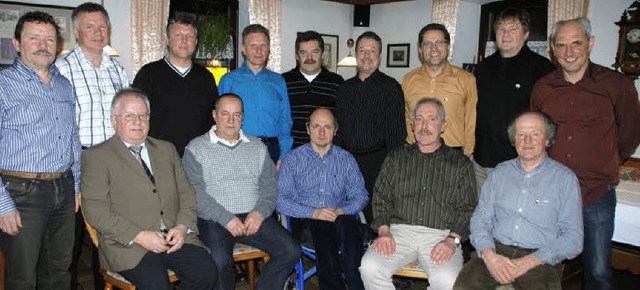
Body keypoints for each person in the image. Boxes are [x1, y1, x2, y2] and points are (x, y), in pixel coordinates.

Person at [531, 18, 640, 290]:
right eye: (561, 45)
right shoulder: (543, 87)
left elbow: (630, 134)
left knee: (599, 271)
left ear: (590, 43)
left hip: (596, 194)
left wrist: (606, 161)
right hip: (550, 194)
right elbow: (535, 134)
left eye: (576, 43)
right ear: (552, 50)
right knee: (542, 266)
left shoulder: (617, 85)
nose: (569, 52)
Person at [81, 88, 217, 289]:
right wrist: (139, 235)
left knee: (207, 273)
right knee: (157, 285)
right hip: (129, 245)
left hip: (173, 236)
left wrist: (181, 227)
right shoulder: (97, 156)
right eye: (129, 116)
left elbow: (186, 193)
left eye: (143, 115)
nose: (138, 121)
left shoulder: (166, 149)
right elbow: (95, 211)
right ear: (113, 120)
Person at [454, 111, 583, 289]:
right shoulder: (500, 172)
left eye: (535, 134)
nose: (527, 140)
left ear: (547, 140)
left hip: (540, 258)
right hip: (496, 249)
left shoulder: (564, 179)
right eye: (521, 134)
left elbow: (573, 238)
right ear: (514, 140)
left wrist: (530, 261)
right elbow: (480, 219)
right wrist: (489, 255)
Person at [183, 93, 300, 290]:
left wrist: (259, 212)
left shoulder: (258, 147)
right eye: (225, 114)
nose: (231, 120)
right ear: (214, 115)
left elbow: (270, 186)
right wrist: (225, 218)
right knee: (219, 262)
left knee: (290, 250)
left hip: (253, 215)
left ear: (243, 117)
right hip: (214, 218)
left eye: (236, 114)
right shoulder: (196, 148)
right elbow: (194, 193)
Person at [359, 98, 477, 290]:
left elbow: (468, 207)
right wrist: (383, 230)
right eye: (419, 119)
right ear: (412, 125)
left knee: (448, 280)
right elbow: (381, 199)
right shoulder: (396, 158)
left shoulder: (460, 163)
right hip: (398, 233)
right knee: (370, 267)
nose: (424, 125)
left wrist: (452, 240)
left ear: (443, 125)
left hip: (441, 235)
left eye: (432, 119)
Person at [0, 11, 81, 290]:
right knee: (23, 278)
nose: (43, 44)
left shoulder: (63, 85)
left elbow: (72, 138)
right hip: (21, 192)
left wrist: (77, 187)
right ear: (17, 43)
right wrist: (2, 205)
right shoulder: (3, 85)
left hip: (63, 188)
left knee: (59, 273)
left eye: (49, 38)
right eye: (34, 38)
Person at [55, 3, 129, 288]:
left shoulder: (117, 69)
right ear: (75, 32)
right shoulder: (61, 69)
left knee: (109, 239)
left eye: (102, 26)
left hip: (114, 162)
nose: (98, 32)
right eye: (90, 26)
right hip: (77, 162)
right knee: (70, 242)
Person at [277, 108, 368, 290]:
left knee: (349, 224)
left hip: (339, 218)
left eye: (327, 127)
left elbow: (361, 195)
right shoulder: (292, 159)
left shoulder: (346, 160)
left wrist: (340, 211)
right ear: (307, 128)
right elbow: (281, 200)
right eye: (316, 126)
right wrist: (315, 212)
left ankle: (355, 283)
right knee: (322, 225)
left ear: (335, 130)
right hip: (305, 221)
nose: (321, 132)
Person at [472, 8, 555, 192]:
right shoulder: (484, 67)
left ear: (526, 34)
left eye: (513, 29)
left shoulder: (542, 69)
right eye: (501, 29)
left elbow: (550, 120)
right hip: (481, 160)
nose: (506, 34)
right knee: (484, 215)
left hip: (518, 163)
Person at [335, 31, 406, 224]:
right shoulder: (345, 88)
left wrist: (392, 171)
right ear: (356, 54)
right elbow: (338, 130)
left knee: (376, 216)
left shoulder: (391, 87)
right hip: (348, 161)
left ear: (380, 55)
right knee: (348, 215)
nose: (366, 55)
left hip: (378, 164)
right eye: (362, 50)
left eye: (372, 50)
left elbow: (397, 135)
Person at [132, 14, 217, 157]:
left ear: (196, 42)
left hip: (197, 158)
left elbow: (212, 120)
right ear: (167, 40)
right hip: (158, 157)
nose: (184, 41)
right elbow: (135, 117)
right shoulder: (148, 74)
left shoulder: (206, 77)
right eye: (178, 35)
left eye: (189, 36)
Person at [218, 24, 292, 167]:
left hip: (272, 151)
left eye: (263, 45)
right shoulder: (229, 80)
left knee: (271, 190)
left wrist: (284, 155)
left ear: (269, 49)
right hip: (238, 148)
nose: (259, 51)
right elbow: (220, 121)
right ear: (243, 49)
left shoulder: (278, 81)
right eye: (253, 45)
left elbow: (285, 120)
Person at [402, 23, 477, 156]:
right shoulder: (408, 80)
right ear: (420, 49)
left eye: (439, 43)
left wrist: (467, 155)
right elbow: (407, 119)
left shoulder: (467, 80)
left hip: (454, 156)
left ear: (448, 47)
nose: (434, 48)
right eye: (427, 44)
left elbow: (472, 122)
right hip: (416, 154)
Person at [282, 31, 344, 148]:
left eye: (314, 52)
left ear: (322, 55)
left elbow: (341, 122)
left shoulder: (337, 82)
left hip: (326, 154)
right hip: (292, 153)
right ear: (297, 56)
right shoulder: (283, 82)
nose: (309, 57)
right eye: (303, 53)